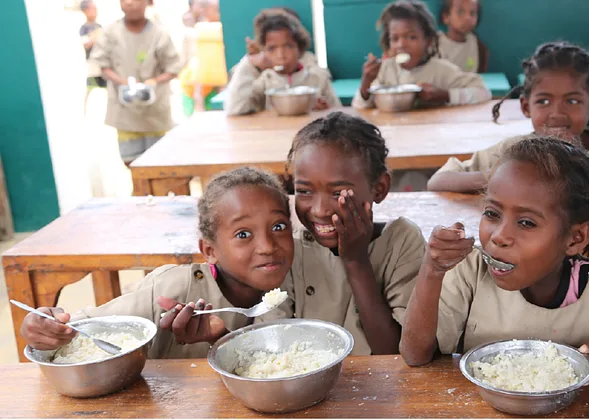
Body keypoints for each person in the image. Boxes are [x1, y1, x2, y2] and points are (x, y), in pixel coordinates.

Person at [399, 135, 589, 382]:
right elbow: (414, 354)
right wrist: (432, 269)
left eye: (527, 223)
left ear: (575, 238)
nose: (499, 236)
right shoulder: (470, 274)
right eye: (492, 213)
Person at [20, 168, 295, 359]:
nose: (268, 246)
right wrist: (42, 326)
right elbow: (82, 327)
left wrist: (220, 336)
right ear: (209, 250)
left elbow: (268, 361)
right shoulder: (170, 291)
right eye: (243, 234)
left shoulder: (283, 288)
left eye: (279, 226)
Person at [428, 42, 589, 211]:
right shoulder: (515, 151)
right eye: (543, 101)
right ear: (526, 107)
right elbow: (438, 181)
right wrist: (503, 175)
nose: (557, 113)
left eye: (572, 101)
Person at [283, 112, 426, 355]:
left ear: (379, 188)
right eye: (304, 191)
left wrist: (356, 260)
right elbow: (272, 343)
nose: (319, 210)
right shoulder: (290, 248)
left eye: (338, 193)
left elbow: (394, 352)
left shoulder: (402, 242)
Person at [89, 0, 183, 165]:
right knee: (132, 163)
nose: (130, 3)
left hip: (155, 112)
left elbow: (174, 68)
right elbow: (101, 64)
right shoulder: (111, 33)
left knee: (160, 164)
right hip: (125, 111)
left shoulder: (159, 34)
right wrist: (122, 82)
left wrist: (153, 81)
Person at [352, 0, 491, 110]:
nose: (402, 45)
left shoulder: (441, 70)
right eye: (395, 39)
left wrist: (445, 95)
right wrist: (366, 83)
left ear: (428, 41)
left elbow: (484, 93)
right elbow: (359, 106)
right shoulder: (385, 70)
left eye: (411, 37)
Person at [225, 9, 339, 116]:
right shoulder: (264, 81)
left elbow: (339, 113)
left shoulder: (318, 78)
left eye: (288, 46)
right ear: (263, 52)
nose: (281, 55)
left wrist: (327, 110)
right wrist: (249, 62)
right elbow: (235, 109)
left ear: (300, 48)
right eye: (271, 49)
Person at [438, 0, 488, 73]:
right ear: (446, 17)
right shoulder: (434, 43)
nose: (467, 18)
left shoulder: (479, 47)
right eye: (460, 12)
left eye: (472, 13)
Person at [79, 0, 106, 115]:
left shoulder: (99, 26)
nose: (95, 11)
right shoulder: (85, 28)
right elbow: (86, 44)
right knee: (91, 86)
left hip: (104, 62)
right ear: (85, 11)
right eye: (92, 9)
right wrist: (96, 38)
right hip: (93, 63)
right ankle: (84, 111)